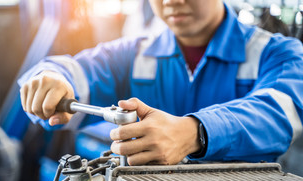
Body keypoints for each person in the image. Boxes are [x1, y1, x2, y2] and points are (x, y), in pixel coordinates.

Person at [18, 0, 303, 166]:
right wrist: (51, 78)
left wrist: (196, 133)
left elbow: (280, 112)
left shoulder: (279, 54)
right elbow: (76, 70)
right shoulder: (134, 54)